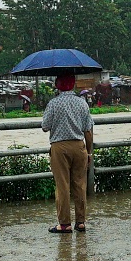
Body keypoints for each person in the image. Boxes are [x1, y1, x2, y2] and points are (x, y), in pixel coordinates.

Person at [41, 73, 93, 233]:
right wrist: (89, 152)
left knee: (62, 185)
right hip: (79, 146)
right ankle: (81, 222)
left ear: (58, 85)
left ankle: (64, 224)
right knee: (79, 184)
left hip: (59, 147)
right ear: (73, 85)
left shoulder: (53, 104)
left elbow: (45, 126)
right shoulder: (82, 103)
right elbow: (88, 130)